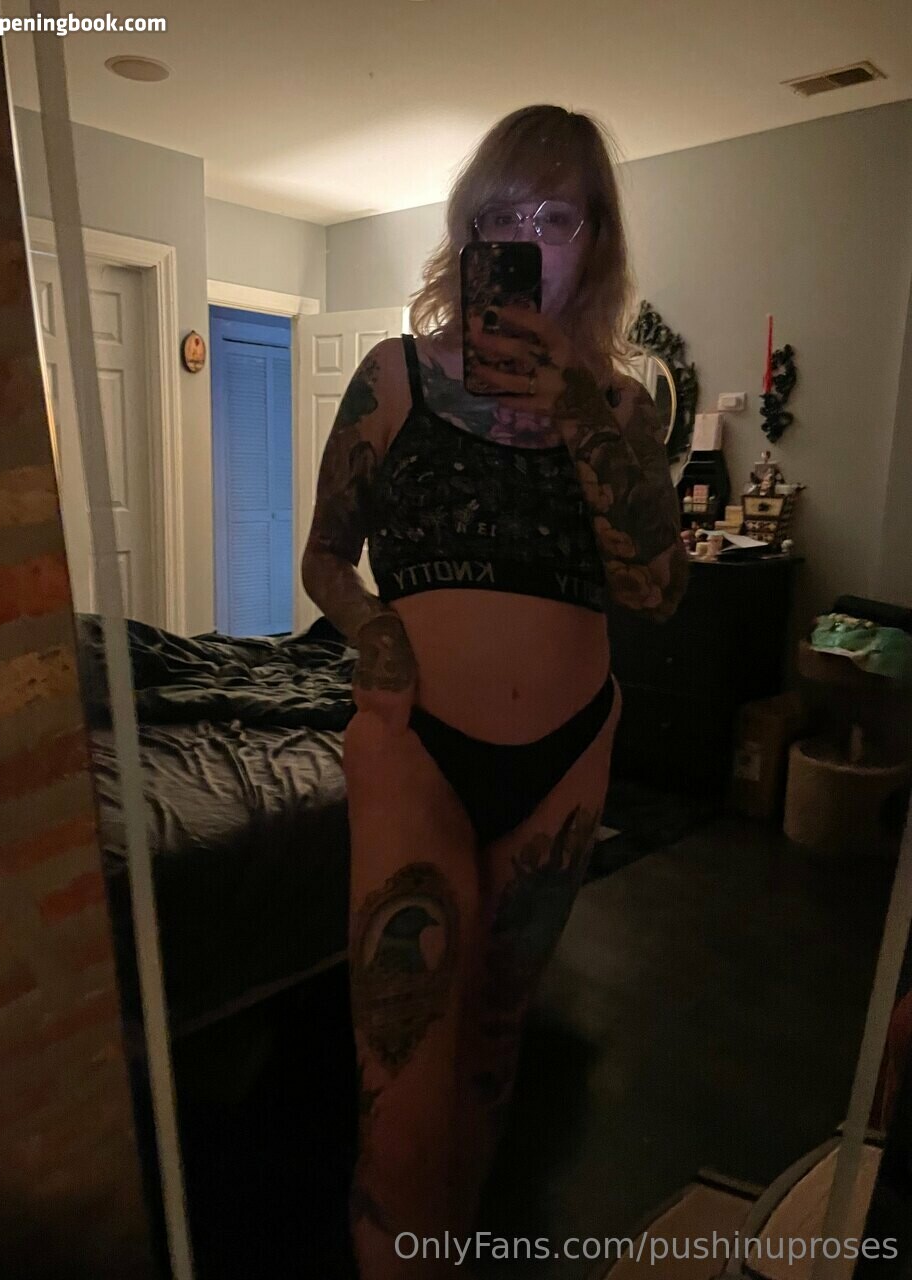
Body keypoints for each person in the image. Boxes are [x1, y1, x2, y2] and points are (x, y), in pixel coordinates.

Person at [301, 103, 689, 1280]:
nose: (524, 238)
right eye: (500, 215)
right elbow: (325, 557)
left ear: (596, 240)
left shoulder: (626, 408)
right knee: (402, 1082)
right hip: (415, 751)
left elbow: (657, 589)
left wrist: (575, 405)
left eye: (554, 216)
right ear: (469, 235)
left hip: (563, 764)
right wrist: (372, 626)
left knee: (492, 1051)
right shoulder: (392, 379)